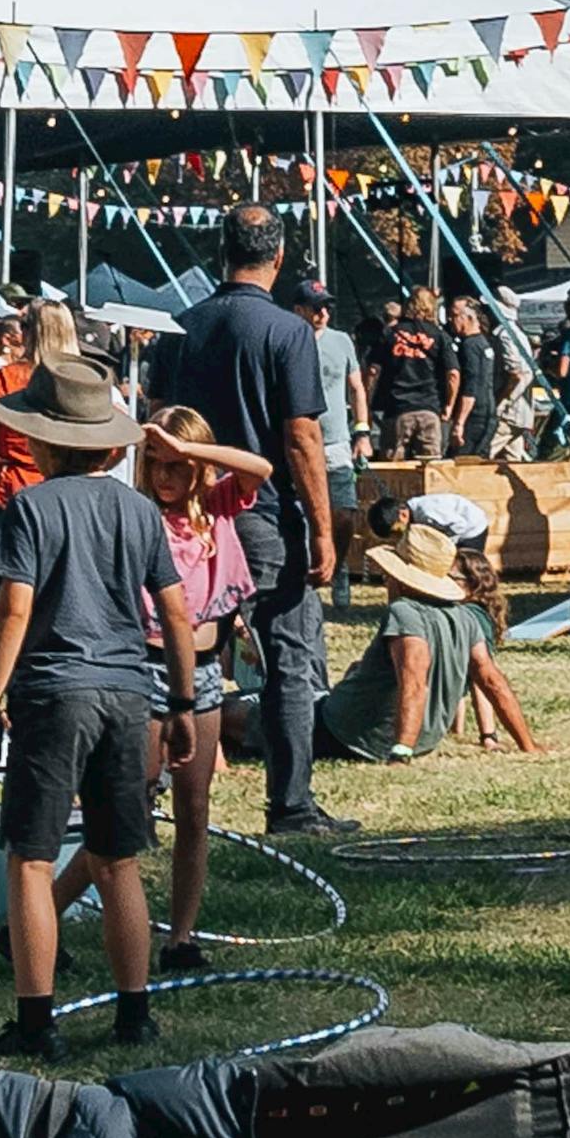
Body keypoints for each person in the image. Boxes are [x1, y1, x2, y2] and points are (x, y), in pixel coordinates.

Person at [0, 367, 186, 1060]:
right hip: (127, 692)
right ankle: (135, 1013)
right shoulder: (138, 510)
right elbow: (173, 608)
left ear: (42, 442)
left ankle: (35, 1022)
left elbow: (15, 607)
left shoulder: (29, 508)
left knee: (29, 858)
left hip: (55, 693)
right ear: (110, 447)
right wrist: (180, 700)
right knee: (117, 859)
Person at [153, 217, 346, 846]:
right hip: (262, 512)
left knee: (180, 649)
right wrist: (323, 528)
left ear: (220, 251)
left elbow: (158, 425)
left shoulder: (179, 327)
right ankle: (290, 804)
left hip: (189, 511)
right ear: (280, 256)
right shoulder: (289, 331)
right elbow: (302, 436)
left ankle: (149, 793)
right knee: (289, 657)